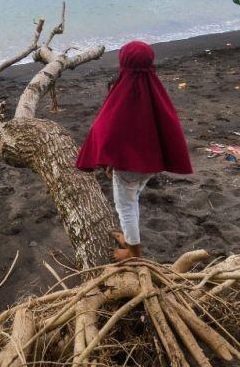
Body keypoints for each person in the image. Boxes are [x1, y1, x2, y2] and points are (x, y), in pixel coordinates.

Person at [76, 40, 192, 261]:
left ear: (124, 63)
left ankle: (133, 253)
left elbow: (106, 128)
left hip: (129, 167)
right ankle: (130, 240)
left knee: (125, 206)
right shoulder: (154, 88)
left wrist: (108, 160)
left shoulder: (123, 91)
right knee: (134, 198)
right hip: (149, 164)